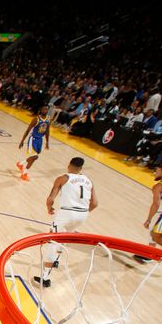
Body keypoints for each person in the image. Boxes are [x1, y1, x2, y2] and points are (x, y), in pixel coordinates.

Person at [34, 157, 98, 287]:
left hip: (67, 212)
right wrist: (83, 213)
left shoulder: (63, 178)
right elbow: (95, 203)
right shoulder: (88, 180)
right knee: (64, 239)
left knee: (52, 240)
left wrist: (49, 208)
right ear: (81, 168)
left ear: (69, 165)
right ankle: (56, 260)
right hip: (83, 214)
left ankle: (45, 278)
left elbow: (50, 198)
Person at [17, 105, 51, 181]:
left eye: (46, 109)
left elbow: (47, 130)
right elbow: (28, 130)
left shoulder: (48, 119)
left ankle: (21, 164)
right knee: (35, 157)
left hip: (40, 140)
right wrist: (22, 141)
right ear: (41, 110)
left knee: (34, 157)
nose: (45, 110)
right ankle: (24, 173)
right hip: (33, 139)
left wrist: (47, 142)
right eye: (44, 109)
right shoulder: (36, 119)